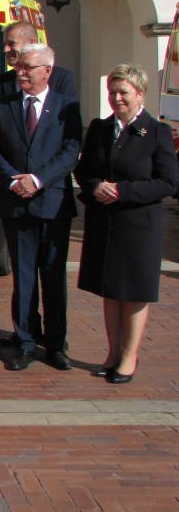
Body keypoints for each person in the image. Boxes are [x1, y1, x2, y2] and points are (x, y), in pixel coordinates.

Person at [74, 64, 179, 383]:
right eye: (112, 92)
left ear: (140, 95)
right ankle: (112, 352)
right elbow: (83, 170)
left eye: (124, 93)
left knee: (134, 292)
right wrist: (94, 186)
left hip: (138, 224)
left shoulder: (158, 132)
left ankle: (129, 357)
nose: (117, 98)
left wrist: (122, 191)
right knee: (110, 290)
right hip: (105, 222)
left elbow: (168, 182)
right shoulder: (100, 128)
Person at [0, 44, 81, 371]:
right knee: (23, 278)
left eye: (28, 67)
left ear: (47, 71)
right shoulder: (2, 106)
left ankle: (55, 344)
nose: (20, 73)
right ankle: (25, 341)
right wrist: (15, 180)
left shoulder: (66, 106)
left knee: (53, 278)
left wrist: (38, 180)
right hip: (15, 203)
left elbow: (70, 151)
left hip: (52, 204)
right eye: (19, 68)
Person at [0, 21, 76, 102]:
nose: (5, 50)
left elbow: (67, 116)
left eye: (12, 44)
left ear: (31, 43)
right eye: (4, 45)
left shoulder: (61, 79)